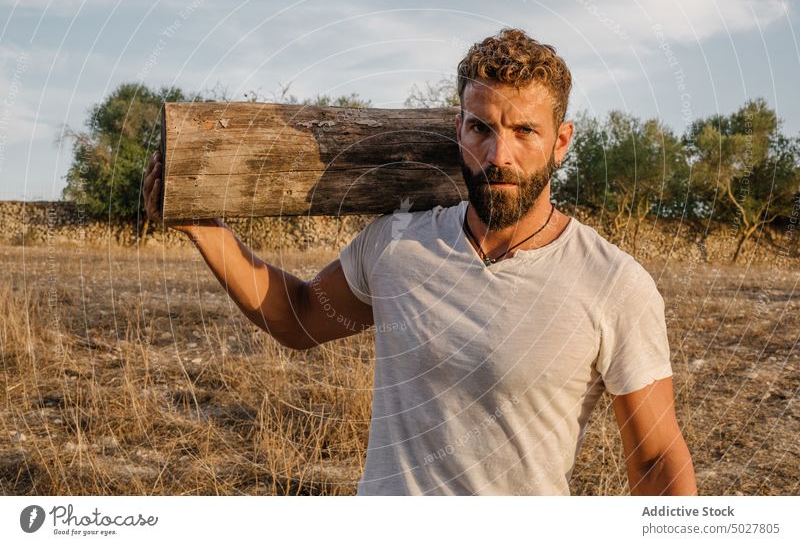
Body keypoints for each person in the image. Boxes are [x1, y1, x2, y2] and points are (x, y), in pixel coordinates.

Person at [142, 28, 697, 496]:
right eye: (481, 128)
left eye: (524, 131)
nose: (497, 156)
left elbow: (655, 459)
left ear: (562, 142)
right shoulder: (398, 245)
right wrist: (202, 227)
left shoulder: (613, 284)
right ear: (458, 131)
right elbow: (300, 316)